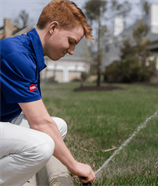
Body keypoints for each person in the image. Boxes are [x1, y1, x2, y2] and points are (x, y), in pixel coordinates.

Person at [0, 0, 96, 185]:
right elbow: (40, 122)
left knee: (58, 127)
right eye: (71, 42)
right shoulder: (16, 55)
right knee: (42, 146)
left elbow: (43, 120)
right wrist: (74, 165)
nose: (71, 51)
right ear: (53, 28)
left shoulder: (28, 52)